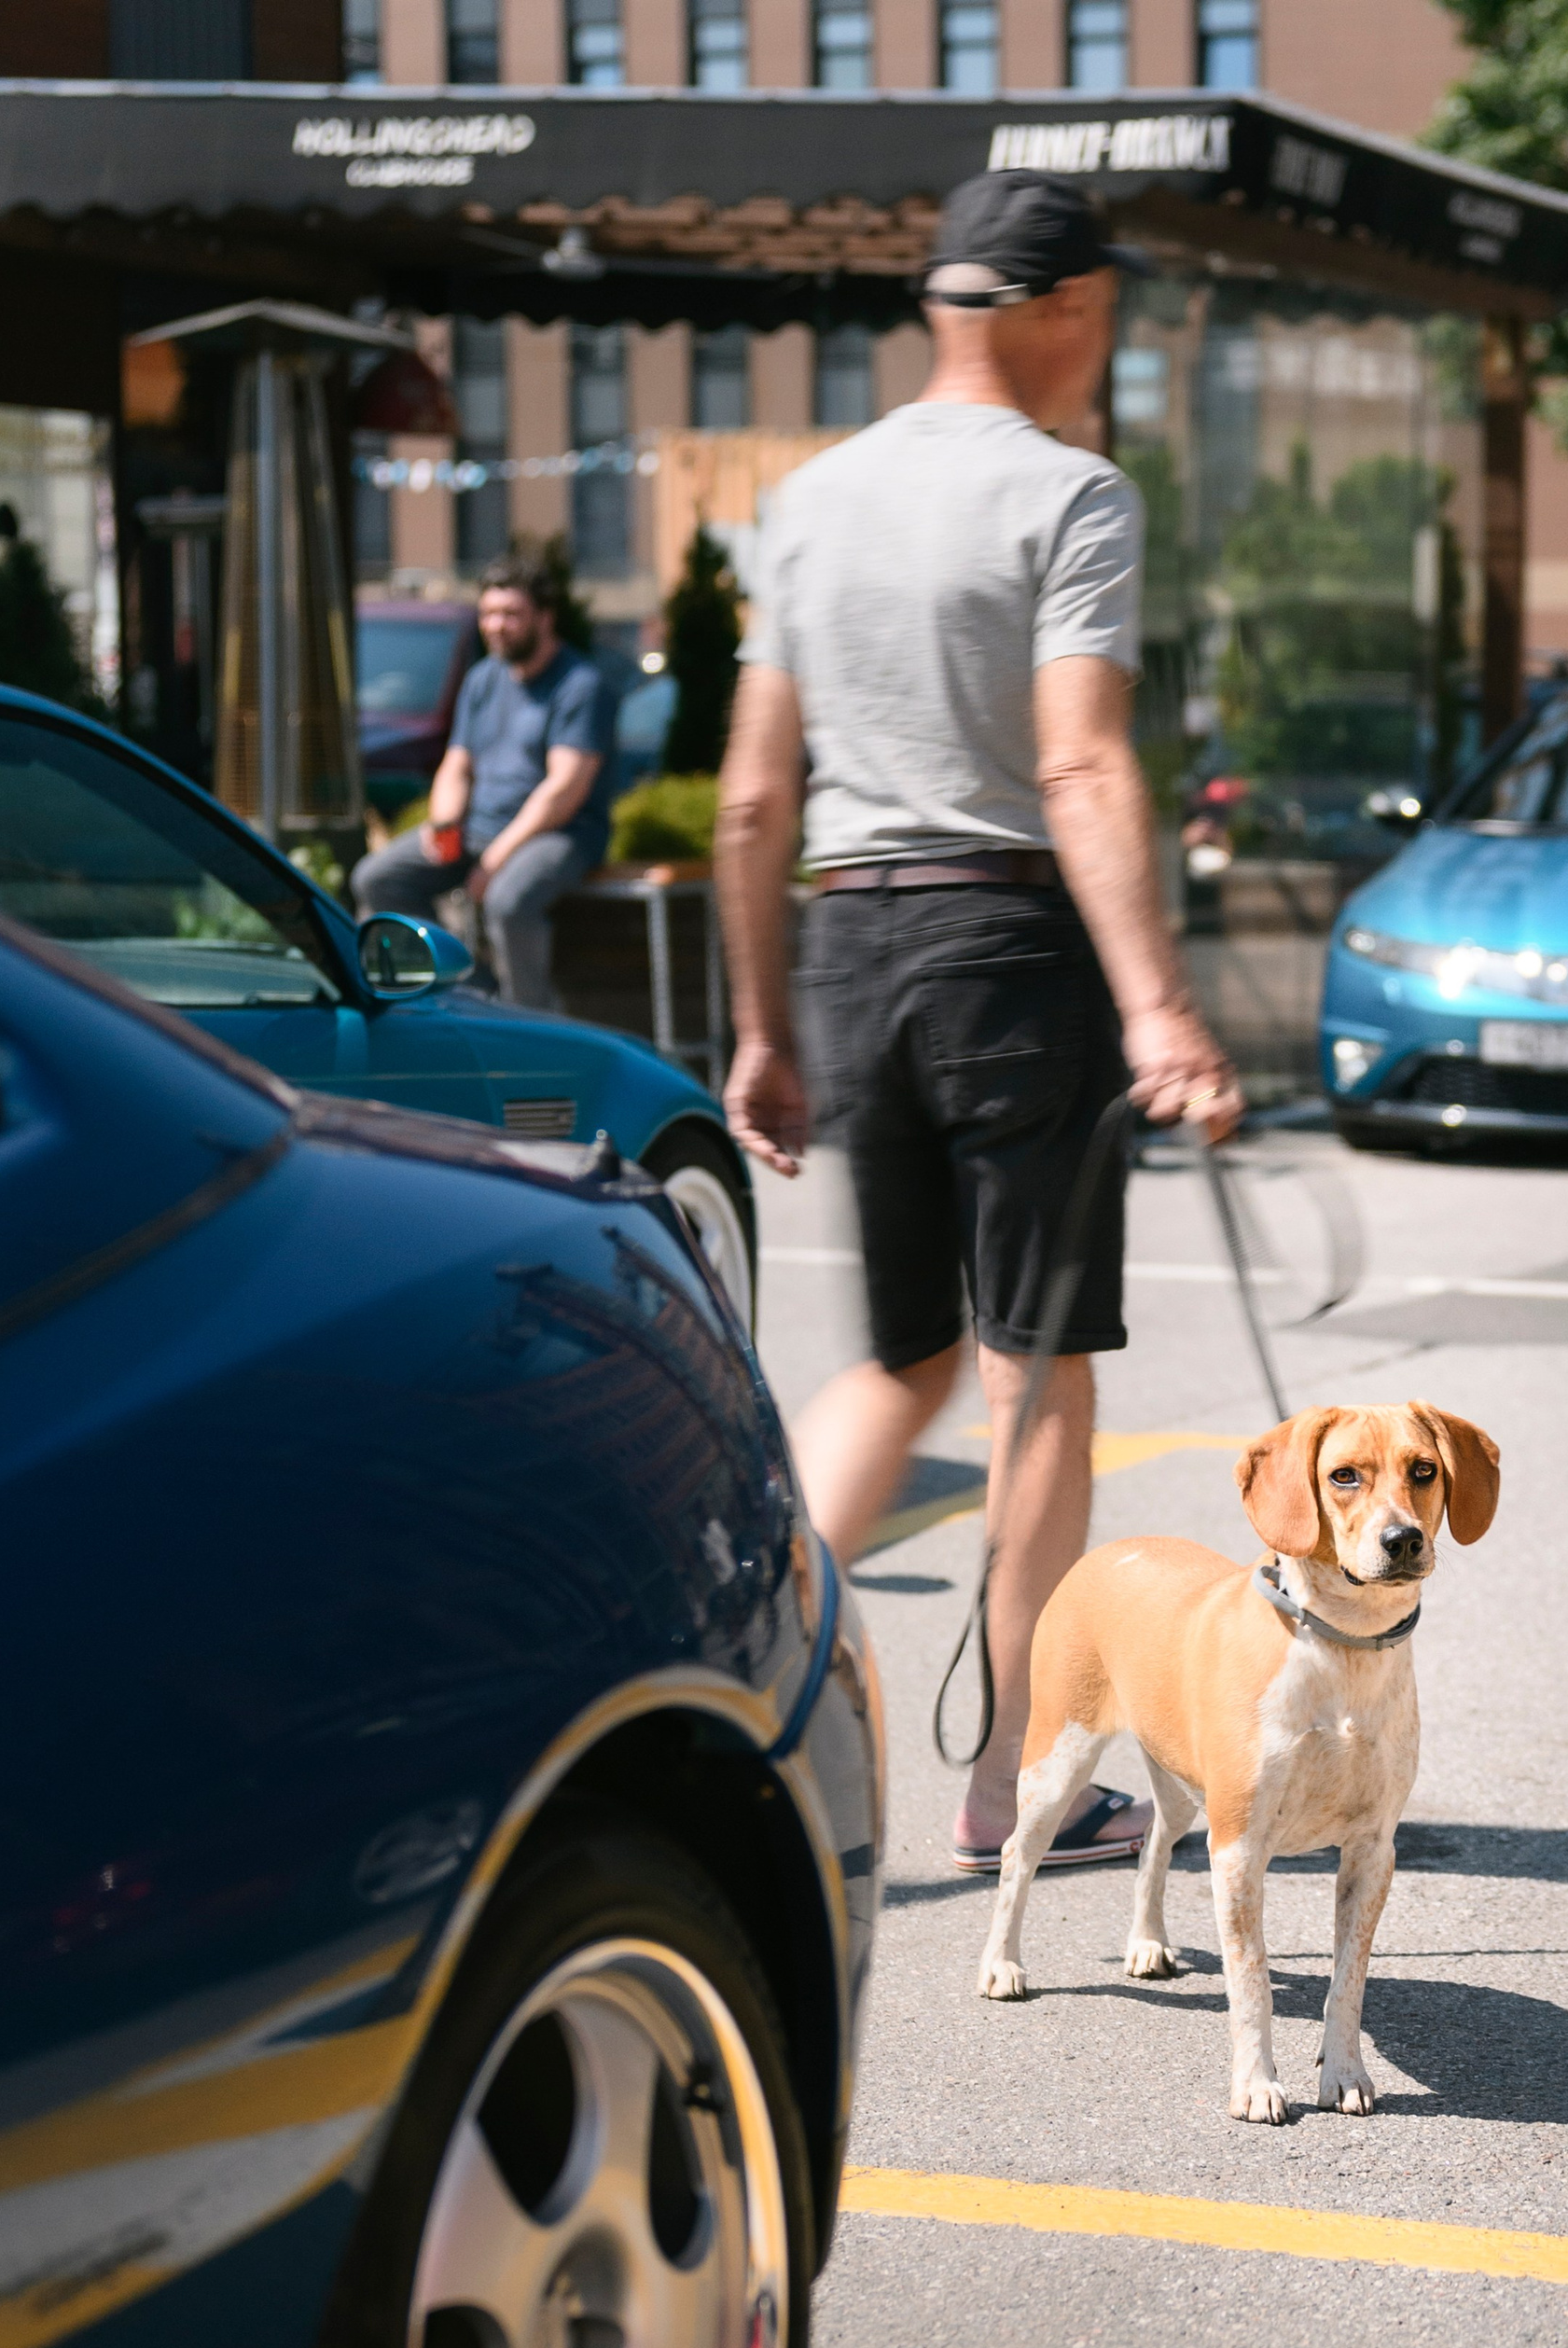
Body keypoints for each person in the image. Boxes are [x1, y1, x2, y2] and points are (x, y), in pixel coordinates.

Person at [714, 169, 1243, 1876]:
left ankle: (709, 1686)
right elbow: (1081, 761)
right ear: (1062, 309)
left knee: (903, 1361)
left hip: (849, 947)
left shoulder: (809, 500)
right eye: (1108, 313)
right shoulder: (1072, 497)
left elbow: (746, 800)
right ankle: (1018, 1784)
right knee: (1039, 1372)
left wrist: (759, 1026)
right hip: (1011, 947)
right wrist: (1161, 1007)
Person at [354, 550, 617, 1010]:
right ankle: (471, 991)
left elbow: (563, 792)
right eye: (489, 614)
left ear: (545, 618)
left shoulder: (581, 686)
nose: (496, 625)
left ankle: (528, 1019)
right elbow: (456, 765)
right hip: (479, 829)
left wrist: (496, 858)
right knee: (378, 879)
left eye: (511, 615)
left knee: (508, 901)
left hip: (559, 834)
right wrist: (446, 823)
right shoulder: (482, 679)